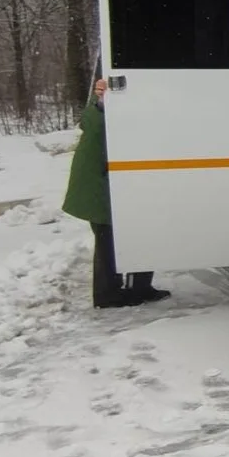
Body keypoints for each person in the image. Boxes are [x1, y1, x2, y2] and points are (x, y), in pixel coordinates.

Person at [61, 78, 170, 308]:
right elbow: (93, 123)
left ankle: (139, 287)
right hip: (98, 186)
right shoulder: (98, 113)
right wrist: (102, 102)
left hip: (113, 181)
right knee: (108, 239)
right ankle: (107, 295)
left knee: (138, 232)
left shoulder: (120, 112)